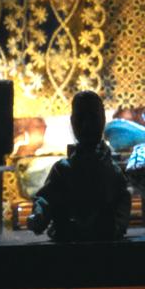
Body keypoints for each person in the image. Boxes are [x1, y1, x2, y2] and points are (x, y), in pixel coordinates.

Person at [28, 90, 130, 242]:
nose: (86, 125)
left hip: (101, 238)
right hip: (68, 236)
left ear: (103, 120)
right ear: (72, 121)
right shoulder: (63, 169)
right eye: (80, 118)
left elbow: (122, 202)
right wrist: (39, 215)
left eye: (93, 118)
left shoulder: (112, 171)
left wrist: (116, 226)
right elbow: (46, 198)